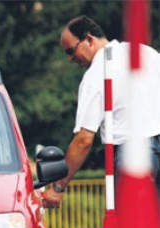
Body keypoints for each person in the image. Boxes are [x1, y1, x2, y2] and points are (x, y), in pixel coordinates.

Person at [43, 15, 160, 208]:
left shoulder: (96, 75)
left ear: (89, 39)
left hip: (134, 156)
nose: (70, 59)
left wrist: (58, 188)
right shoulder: (145, 53)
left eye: (71, 51)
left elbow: (84, 140)